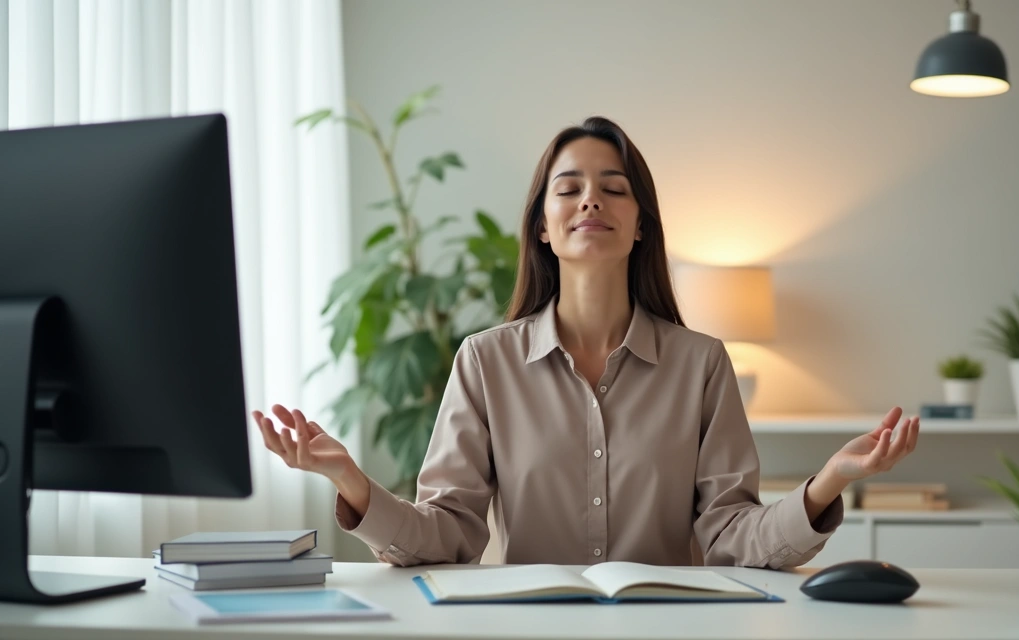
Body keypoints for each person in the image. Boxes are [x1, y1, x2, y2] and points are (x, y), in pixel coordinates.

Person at [252, 116, 920, 569]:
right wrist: (351, 480)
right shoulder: (485, 362)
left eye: (614, 189)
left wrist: (828, 482)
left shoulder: (701, 365)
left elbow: (732, 536)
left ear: (640, 226)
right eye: (568, 189)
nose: (590, 202)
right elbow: (447, 535)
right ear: (543, 226)